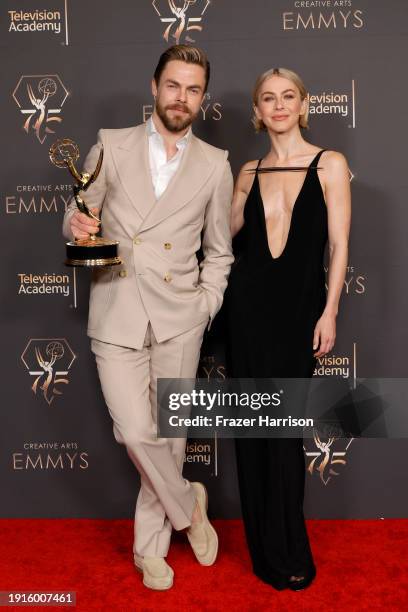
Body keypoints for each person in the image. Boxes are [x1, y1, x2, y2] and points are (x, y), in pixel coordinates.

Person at [62, 44, 234, 591]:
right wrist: (75, 226)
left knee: (170, 436)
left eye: (193, 89)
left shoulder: (215, 164)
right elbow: (81, 207)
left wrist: (205, 305)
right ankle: (190, 506)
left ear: (202, 98)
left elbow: (220, 251)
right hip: (116, 309)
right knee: (137, 432)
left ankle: (149, 549)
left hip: (180, 316)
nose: (181, 98)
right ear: (154, 86)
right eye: (173, 85)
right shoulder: (110, 146)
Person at [225, 67, 351, 591]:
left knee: (283, 435)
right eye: (268, 98)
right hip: (246, 314)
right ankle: (263, 550)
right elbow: (221, 237)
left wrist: (330, 311)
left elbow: (339, 246)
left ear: (303, 105)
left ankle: (291, 549)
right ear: (257, 110)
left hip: (298, 315)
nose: (278, 105)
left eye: (288, 96)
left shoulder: (330, 164)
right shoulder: (247, 172)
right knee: (252, 435)